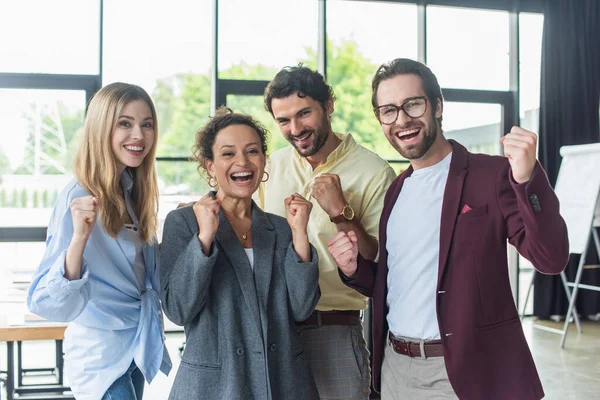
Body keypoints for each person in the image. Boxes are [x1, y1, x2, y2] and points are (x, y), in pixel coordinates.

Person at [327, 58, 570, 400]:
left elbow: (551, 258)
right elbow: (396, 284)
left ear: (437, 106)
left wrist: (528, 179)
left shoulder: (492, 175)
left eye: (413, 104)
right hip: (396, 369)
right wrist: (353, 269)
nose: (402, 119)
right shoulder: (396, 190)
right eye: (388, 110)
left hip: (463, 373)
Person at [160, 107, 320, 400]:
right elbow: (178, 310)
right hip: (216, 387)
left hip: (282, 382)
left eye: (252, 151)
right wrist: (204, 238)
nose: (242, 162)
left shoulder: (282, 228)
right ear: (209, 166)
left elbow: (302, 308)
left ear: (263, 160)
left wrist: (300, 234)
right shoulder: (182, 223)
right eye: (228, 153)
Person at [259, 65, 396, 399]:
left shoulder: (375, 172)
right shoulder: (269, 167)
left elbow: (377, 261)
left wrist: (340, 212)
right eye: (283, 120)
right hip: (273, 330)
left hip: (333, 330)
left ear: (329, 104)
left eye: (304, 113)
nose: (295, 128)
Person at [27, 82, 172, 400]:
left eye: (146, 124)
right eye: (125, 123)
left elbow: (142, 271)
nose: (139, 135)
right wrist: (79, 237)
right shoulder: (78, 194)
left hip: (135, 345)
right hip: (102, 354)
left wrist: (184, 231)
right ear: (101, 127)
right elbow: (46, 299)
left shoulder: (131, 191)